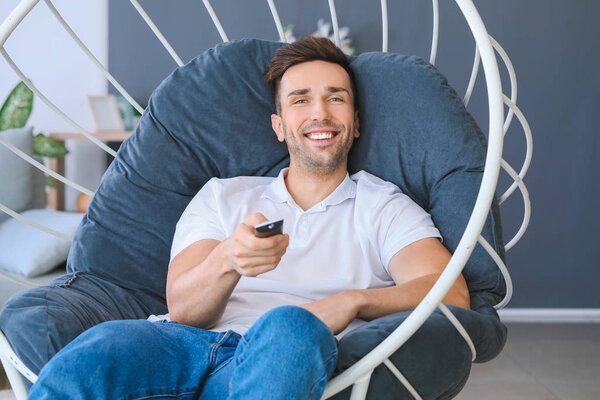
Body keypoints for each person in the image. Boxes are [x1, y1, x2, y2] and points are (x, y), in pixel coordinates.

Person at [28, 36, 470, 400]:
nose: (319, 113)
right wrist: (229, 260)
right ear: (279, 126)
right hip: (182, 345)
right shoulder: (224, 195)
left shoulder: (382, 205)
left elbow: (451, 292)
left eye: (336, 99)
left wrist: (351, 302)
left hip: (278, 356)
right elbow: (183, 310)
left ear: (354, 124)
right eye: (301, 100)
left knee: (292, 324)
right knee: (98, 349)